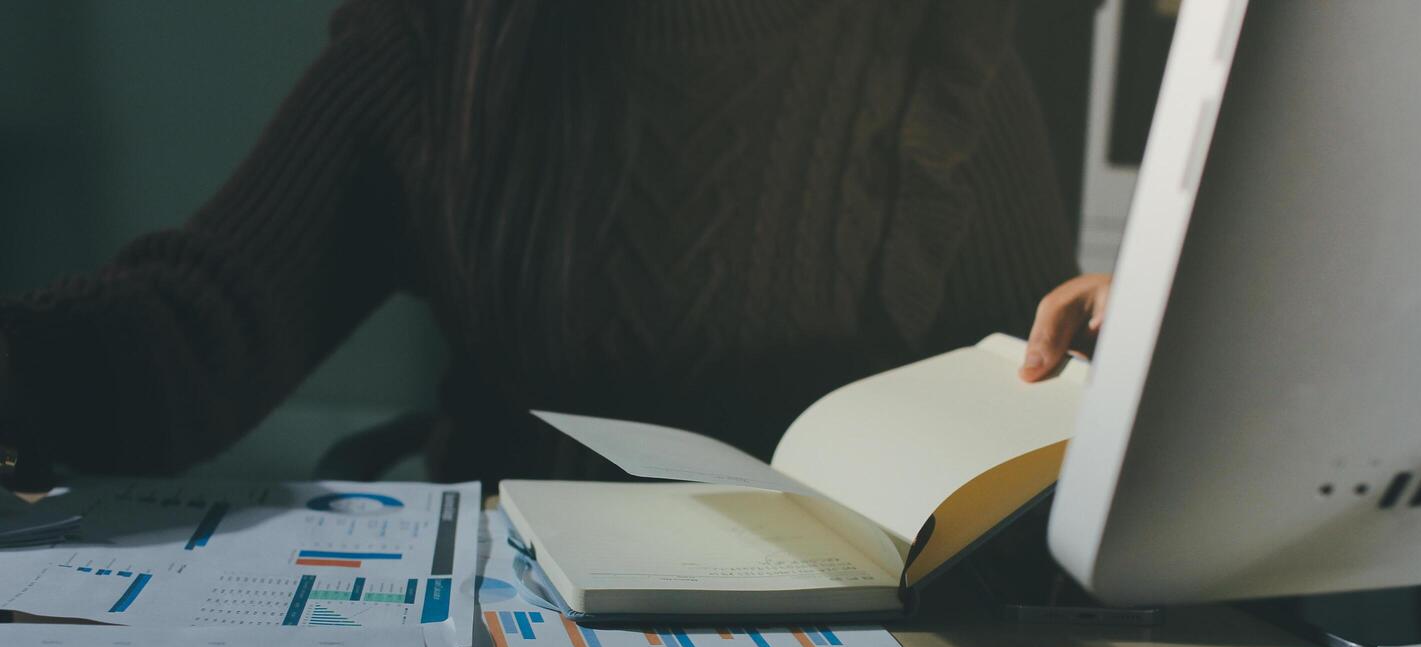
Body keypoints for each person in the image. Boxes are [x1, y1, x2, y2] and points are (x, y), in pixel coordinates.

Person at [0, 0, 1109, 489]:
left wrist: (1144, 349)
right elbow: (197, 331)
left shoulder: (938, 37)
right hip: (508, 644)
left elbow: (1026, 404)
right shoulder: (448, 36)